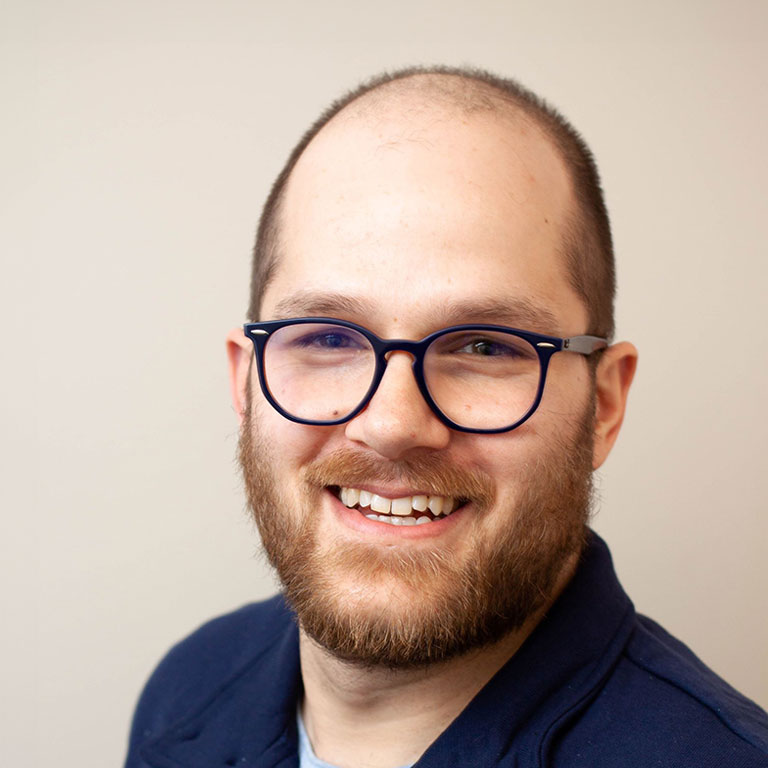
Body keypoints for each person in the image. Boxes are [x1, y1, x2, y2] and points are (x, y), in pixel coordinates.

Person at [124, 67, 768, 768]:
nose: (393, 423)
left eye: (485, 345)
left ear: (604, 405)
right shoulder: (188, 693)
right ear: (246, 383)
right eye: (328, 338)